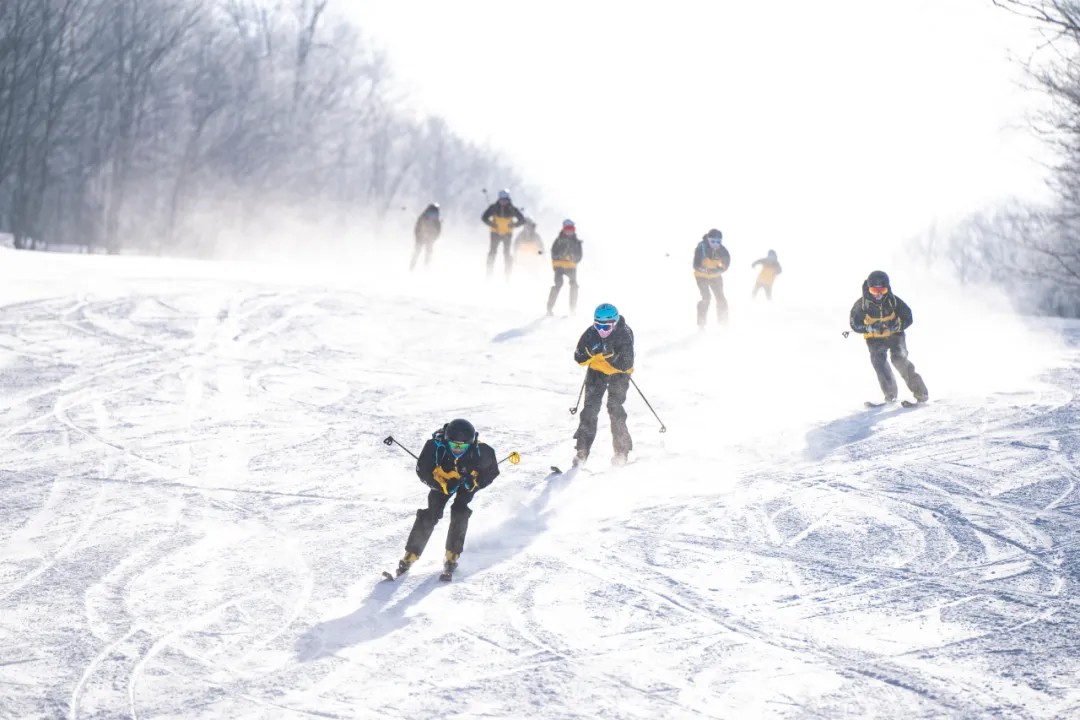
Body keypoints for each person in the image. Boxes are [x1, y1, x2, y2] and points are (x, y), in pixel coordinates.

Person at [395, 418, 500, 579]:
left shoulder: (483, 452)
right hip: (443, 482)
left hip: (466, 483)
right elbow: (422, 471)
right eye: (454, 445)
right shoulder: (434, 447)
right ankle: (411, 554)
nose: (458, 449)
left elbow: (492, 472)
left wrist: (475, 483)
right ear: (446, 441)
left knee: (460, 510)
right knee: (431, 513)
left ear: (470, 444)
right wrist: (441, 486)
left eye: (463, 446)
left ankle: (452, 555)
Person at [848, 270, 929, 404]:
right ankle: (890, 394)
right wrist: (870, 327)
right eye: (874, 291)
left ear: (888, 289)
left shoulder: (893, 301)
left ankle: (921, 393)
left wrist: (896, 326)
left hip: (895, 336)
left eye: (883, 290)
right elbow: (854, 323)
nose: (879, 295)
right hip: (874, 338)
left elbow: (908, 317)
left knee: (899, 360)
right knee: (878, 362)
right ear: (869, 289)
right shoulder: (861, 305)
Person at [572, 303, 635, 467]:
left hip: (619, 373)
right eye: (598, 325)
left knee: (614, 406)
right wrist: (589, 352)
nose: (602, 330)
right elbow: (579, 358)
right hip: (597, 371)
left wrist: (608, 355)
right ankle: (582, 451)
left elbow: (626, 363)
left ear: (614, 323)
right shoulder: (591, 333)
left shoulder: (624, 333)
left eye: (606, 326)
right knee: (590, 409)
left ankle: (621, 451)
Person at [480, 189, 526, 277]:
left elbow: (522, 220)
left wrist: (514, 225)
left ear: (508, 200)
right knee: (492, 252)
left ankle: (507, 274)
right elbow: (484, 217)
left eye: (505, 200)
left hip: (507, 234)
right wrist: (491, 224)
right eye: (501, 200)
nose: (503, 202)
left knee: (507, 253)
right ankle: (489, 273)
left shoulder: (512, 209)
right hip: (495, 233)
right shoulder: (493, 207)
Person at [693, 228, 731, 327]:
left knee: (721, 298)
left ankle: (723, 323)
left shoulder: (722, 250)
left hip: (715, 277)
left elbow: (726, 265)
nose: (715, 243)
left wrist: (718, 270)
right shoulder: (701, 247)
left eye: (718, 241)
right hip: (701, 277)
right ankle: (701, 323)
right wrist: (705, 270)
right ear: (708, 240)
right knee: (706, 297)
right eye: (713, 241)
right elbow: (696, 265)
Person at [546, 219, 583, 315]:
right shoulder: (558, 240)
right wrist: (560, 256)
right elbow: (553, 253)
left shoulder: (577, 242)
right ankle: (549, 308)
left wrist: (572, 257)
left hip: (571, 267)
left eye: (571, 229)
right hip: (559, 267)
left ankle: (572, 308)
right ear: (563, 229)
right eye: (567, 229)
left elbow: (579, 257)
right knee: (558, 284)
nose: (569, 231)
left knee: (574, 285)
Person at [410, 203, 441, 271]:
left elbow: (438, 231)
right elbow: (417, 228)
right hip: (420, 238)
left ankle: (426, 267)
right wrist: (419, 237)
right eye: (431, 214)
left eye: (434, 214)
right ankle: (412, 267)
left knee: (428, 253)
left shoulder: (436, 221)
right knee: (417, 252)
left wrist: (432, 238)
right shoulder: (422, 218)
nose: (432, 216)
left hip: (429, 239)